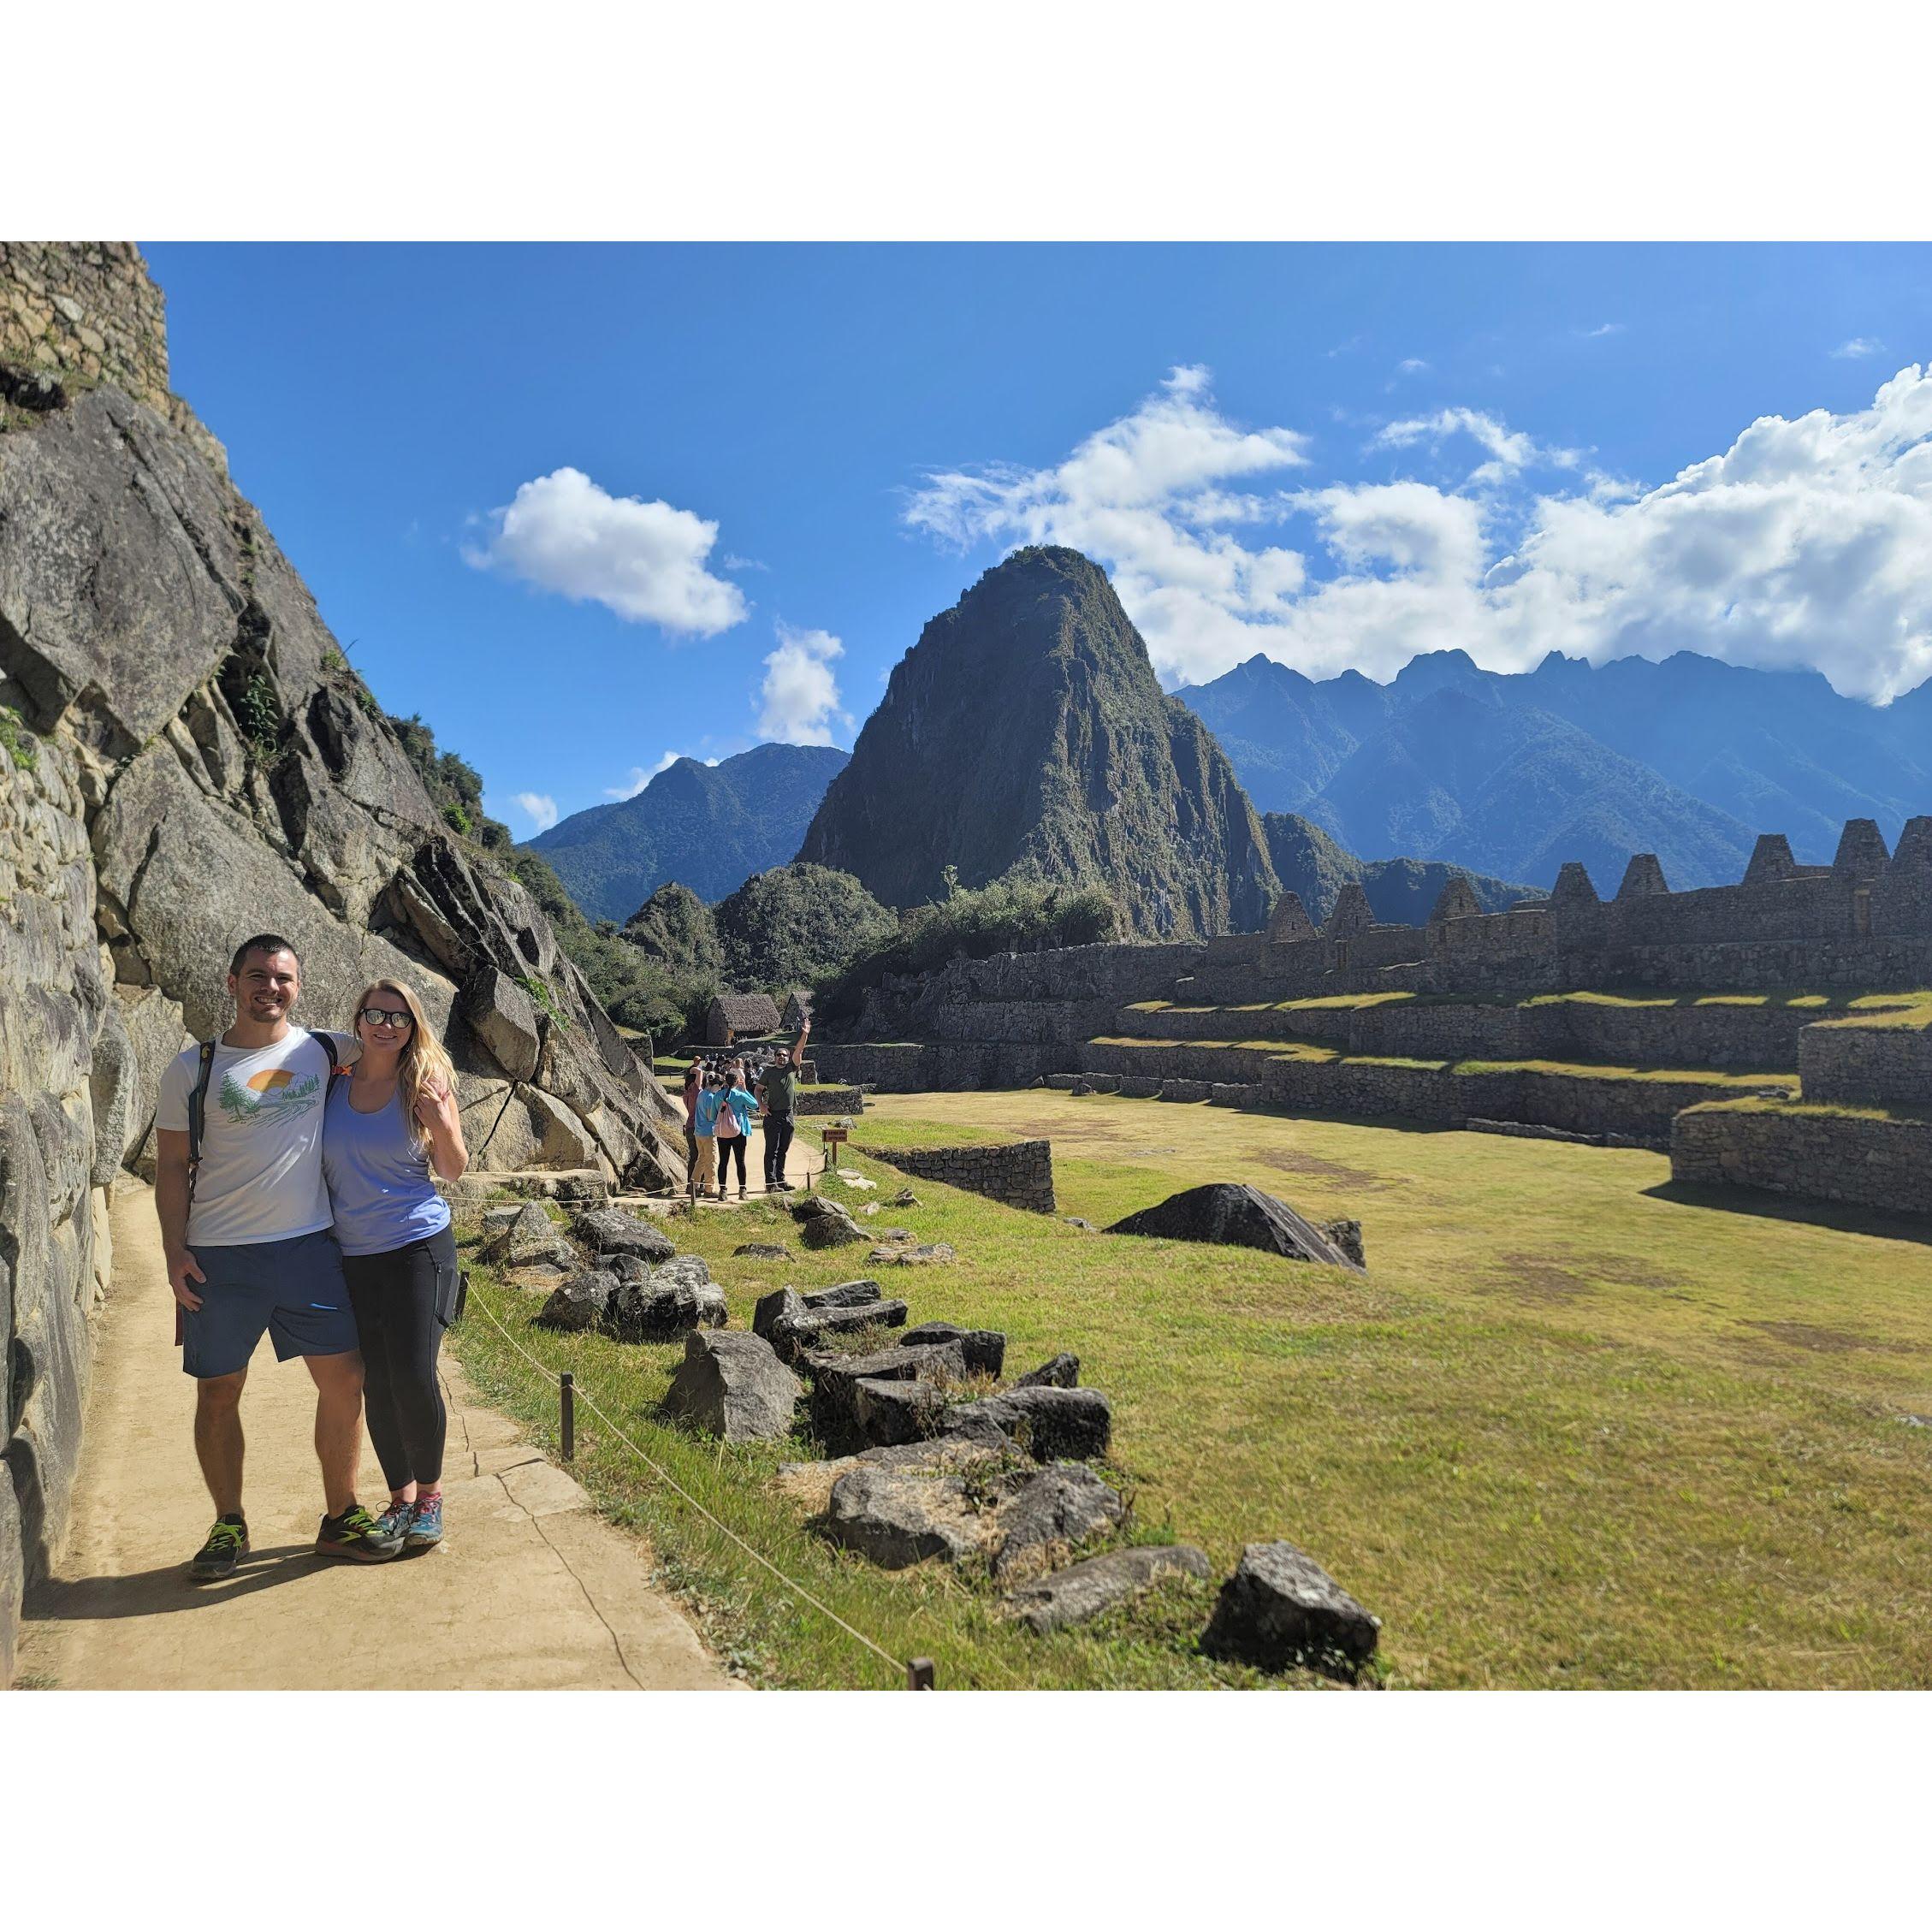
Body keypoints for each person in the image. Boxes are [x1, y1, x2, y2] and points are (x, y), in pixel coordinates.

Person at [154, 933, 405, 1579]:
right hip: (220, 1256)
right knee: (218, 1391)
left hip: (308, 1248)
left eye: (284, 978)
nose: (272, 987)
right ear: (233, 982)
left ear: (300, 986)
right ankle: (228, 1522)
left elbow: (399, 1049)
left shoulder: (325, 1049)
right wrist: (173, 1249)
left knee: (345, 1380)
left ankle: (341, 1515)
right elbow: (173, 1165)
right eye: (259, 976)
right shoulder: (193, 1069)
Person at [323, 979, 469, 1554]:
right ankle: (400, 1499)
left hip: (419, 1247)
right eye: (375, 1014)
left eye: (399, 1017)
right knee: (376, 1383)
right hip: (355, 1255)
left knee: (412, 1374)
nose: (386, 1025)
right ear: (357, 1021)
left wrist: (442, 1123)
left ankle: (430, 1498)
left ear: (413, 1026)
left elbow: (454, 1169)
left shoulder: (424, 1084)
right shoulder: (332, 1085)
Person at [756, 1018, 809, 1194]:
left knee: (783, 1149)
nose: (781, 1057)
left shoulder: (792, 1069)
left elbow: (799, 1049)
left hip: (788, 1114)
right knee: (771, 1150)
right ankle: (770, 1184)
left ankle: (780, 1179)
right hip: (773, 1116)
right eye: (779, 1055)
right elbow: (758, 1089)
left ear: (788, 1058)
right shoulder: (769, 1073)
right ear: (775, 1057)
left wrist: (805, 1034)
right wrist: (761, 1105)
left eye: (784, 1055)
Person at [710, 1063, 757, 1200]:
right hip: (739, 1131)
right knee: (740, 1161)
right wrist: (744, 1090)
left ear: (725, 1081)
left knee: (723, 1161)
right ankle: (742, 1190)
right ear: (737, 1082)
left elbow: (713, 1115)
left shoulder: (718, 1096)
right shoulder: (739, 1095)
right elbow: (754, 1104)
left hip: (723, 1132)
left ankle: (722, 1190)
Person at [692, 1069, 723, 1199]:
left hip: (698, 1131)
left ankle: (693, 1185)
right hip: (708, 1132)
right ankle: (709, 1189)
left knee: (701, 1159)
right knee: (712, 1160)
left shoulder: (701, 1094)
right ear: (716, 1086)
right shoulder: (710, 1097)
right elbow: (711, 1116)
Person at [680, 1063, 704, 1197]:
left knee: (693, 1157)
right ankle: (699, 1185)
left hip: (689, 1126)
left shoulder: (686, 1095)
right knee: (702, 1156)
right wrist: (693, 1069)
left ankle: (690, 1185)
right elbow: (700, 1073)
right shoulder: (695, 1091)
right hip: (698, 1127)